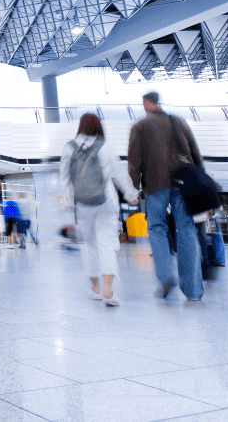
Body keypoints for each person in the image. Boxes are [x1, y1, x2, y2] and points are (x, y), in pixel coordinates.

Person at [128, 91, 204, 301]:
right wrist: (201, 183)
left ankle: (165, 275)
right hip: (183, 183)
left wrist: (134, 188)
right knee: (187, 230)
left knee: (156, 228)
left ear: (146, 103)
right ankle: (194, 291)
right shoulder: (178, 122)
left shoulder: (140, 127)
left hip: (155, 184)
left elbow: (134, 161)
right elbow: (195, 153)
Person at [61, 113, 138, 306]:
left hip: (82, 203)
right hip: (106, 201)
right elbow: (120, 174)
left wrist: (70, 201)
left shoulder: (69, 147)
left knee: (88, 245)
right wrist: (130, 194)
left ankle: (95, 289)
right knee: (106, 244)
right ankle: (108, 291)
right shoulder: (105, 146)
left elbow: (65, 178)